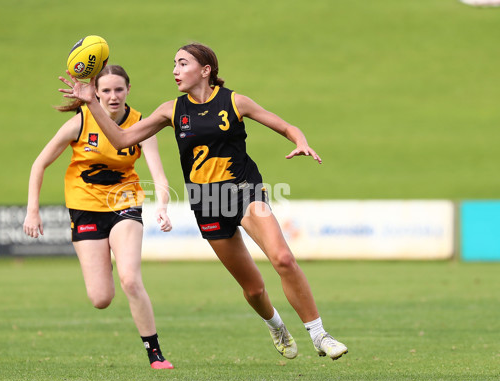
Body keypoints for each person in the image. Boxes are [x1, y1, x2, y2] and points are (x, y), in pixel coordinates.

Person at [59, 44, 348, 361]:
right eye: (174, 64)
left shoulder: (234, 101)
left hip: (243, 190)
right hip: (206, 201)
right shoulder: (171, 110)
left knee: (282, 258)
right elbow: (122, 139)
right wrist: (92, 104)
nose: (175, 70)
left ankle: (320, 335)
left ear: (206, 70)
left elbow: (285, 125)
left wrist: (300, 141)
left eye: (182, 63)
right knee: (253, 289)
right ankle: (276, 325)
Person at [24, 65, 174, 369]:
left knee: (130, 279)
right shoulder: (79, 123)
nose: (113, 96)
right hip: (84, 207)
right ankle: (105, 274)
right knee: (101, 298)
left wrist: (162, 204)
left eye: (119, 89)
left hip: (125, 203)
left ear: (129, 90)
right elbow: (38, 164)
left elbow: (158, 172)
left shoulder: (141, 124)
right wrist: (32, 211)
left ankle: (155, 353)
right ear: (95, 93)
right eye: (105, 90)